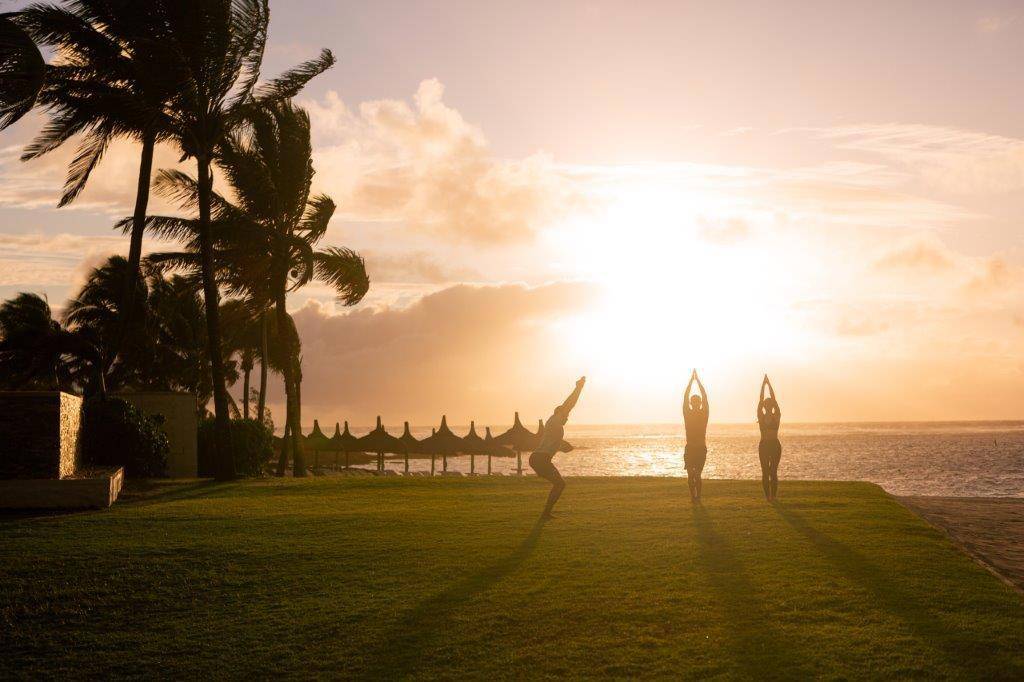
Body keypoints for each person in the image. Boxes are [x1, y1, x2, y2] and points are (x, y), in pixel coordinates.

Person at [530, 376, 586, 519]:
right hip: (540, 459)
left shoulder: (554, 425)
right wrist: (578, 387)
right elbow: (569, 403)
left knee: (559, 484)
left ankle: (546, 513)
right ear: (560, 413)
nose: (567, 418)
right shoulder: (555, 419)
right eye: (566, 415)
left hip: (539, 459)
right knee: (560, 484)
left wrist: (563, 446)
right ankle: (546, 514)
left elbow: (554, 443)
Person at [682, 369, 710, 502]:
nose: (695, 403)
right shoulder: (687, 414)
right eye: (693, 402)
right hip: (690, 448)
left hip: (700, 448)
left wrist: (697, 381)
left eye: (697, 402)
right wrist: (690, 382)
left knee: (697, 474)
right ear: (691, 403)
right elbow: (685, 396)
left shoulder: (704, 414)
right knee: (690, 475)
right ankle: (693, 496)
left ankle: (698, 496)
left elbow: (705, 396)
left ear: (699, 403)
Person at [757, 374, 782, 501]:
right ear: (764, 407)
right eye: (765, 405)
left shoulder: (776, 416)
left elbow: (774, 400)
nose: (767, 406)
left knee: (773, 472)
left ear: (771, 406)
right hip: (764, 445)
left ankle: (773, 496)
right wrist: (763, 385)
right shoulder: (761, 416)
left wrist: (769, 384)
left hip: (774, 445)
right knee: (765, 472)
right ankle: (768, 497)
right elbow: (760, 400)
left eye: (769, 405)